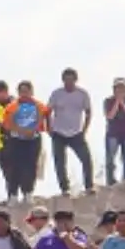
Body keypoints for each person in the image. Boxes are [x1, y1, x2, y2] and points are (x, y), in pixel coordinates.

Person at [47, 68, 95, 196]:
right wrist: (49, 128)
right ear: (63, 80)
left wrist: (85, 129)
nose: (68, 82)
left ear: (75, 80)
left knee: (86, 159)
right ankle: (65, 188)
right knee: (60, 162)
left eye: (71, 80)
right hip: (58, 132)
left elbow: (88, 112)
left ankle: (89, 185)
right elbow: (48, 111)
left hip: (76, 132)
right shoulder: (56, 94)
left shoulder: (82, 94)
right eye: (66, 80)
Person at [2, 81, 49, 203]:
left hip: (33, 139)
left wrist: (32, 130)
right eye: (21, 91)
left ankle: (28, 193)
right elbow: (7, 124)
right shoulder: (12, 106)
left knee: (31, 166)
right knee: (14, 167)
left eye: (26, 91)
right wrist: (21, 130)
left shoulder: (39, 105)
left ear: (31, 92)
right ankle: (12, 194)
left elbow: (41, 118)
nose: (24, 94)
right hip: (16, 140)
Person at [103, 79, 125, 186]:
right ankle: (110, 180)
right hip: (113, 133)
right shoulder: (108, 101)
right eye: (118, 88)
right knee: (110, 158)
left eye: (123, 88)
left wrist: (123, 103)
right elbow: (110, 116)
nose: (120, 90)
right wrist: (117, 102)